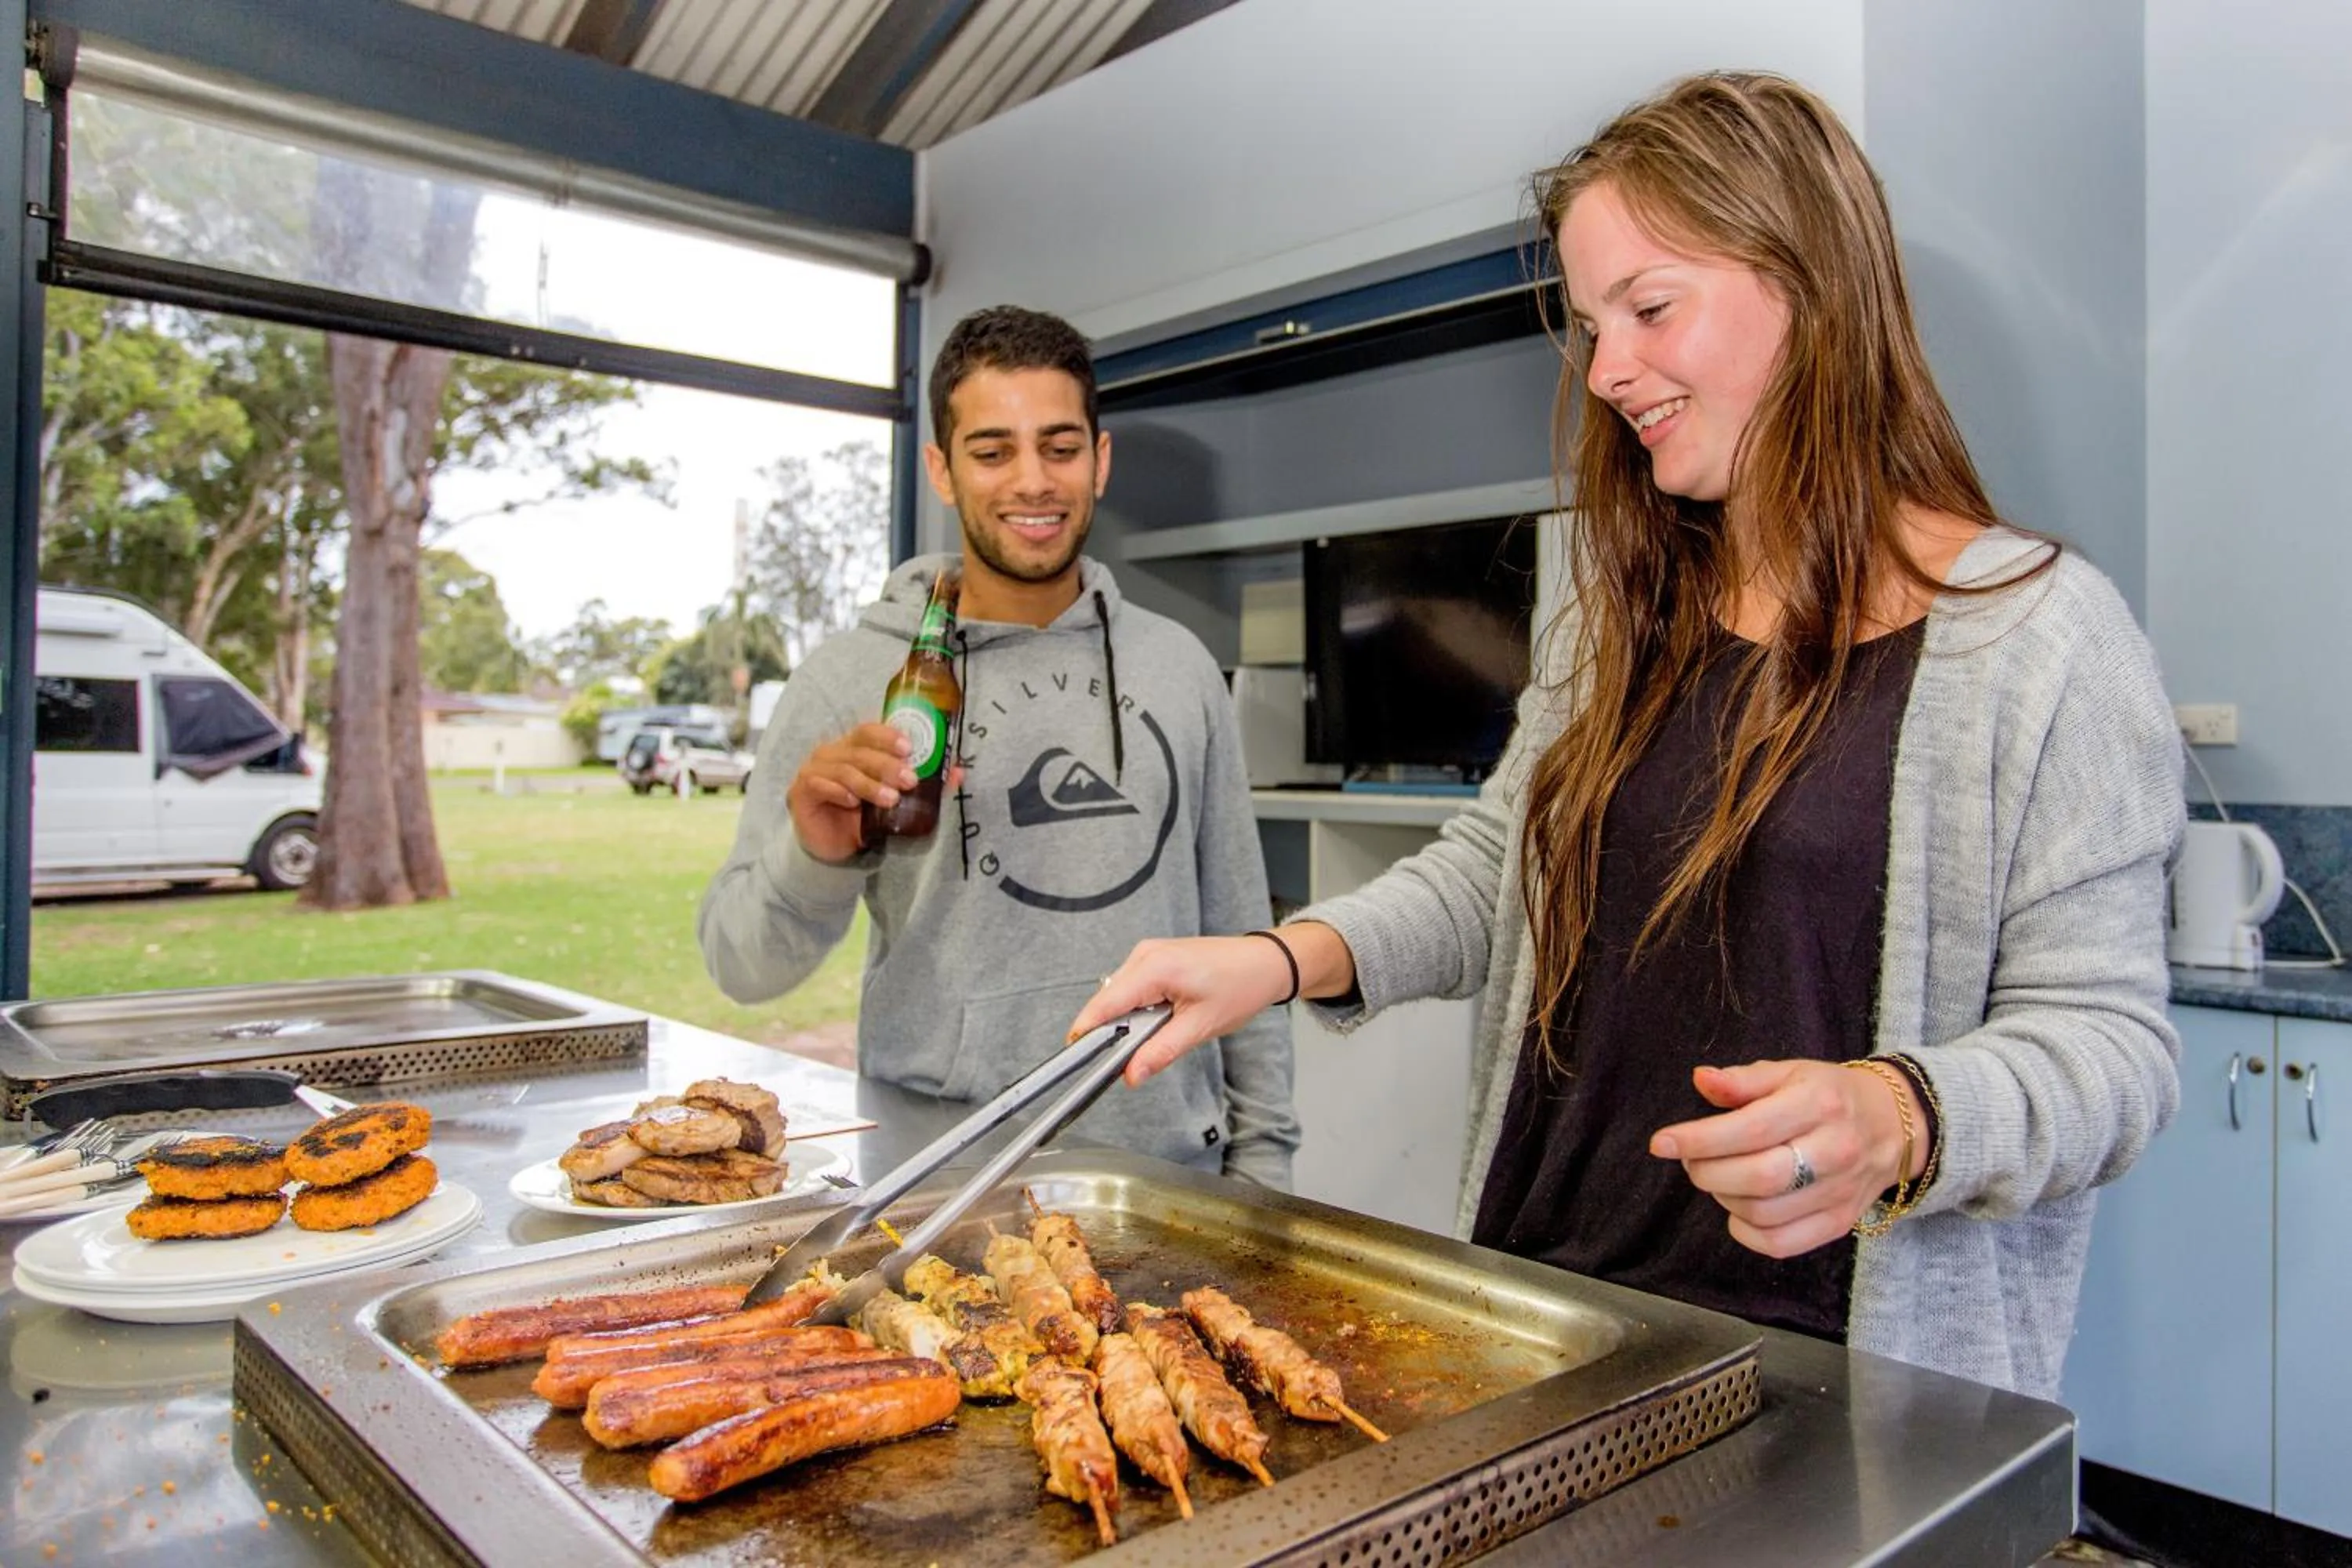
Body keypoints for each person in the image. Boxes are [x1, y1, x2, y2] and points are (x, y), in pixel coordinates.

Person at [1070, 72, 2181, 1399]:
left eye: (1651, 309)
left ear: (1813, 285)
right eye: (1593, 327)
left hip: (1822, 1399)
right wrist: (1275, 958)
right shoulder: (1620, 614)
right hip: (1545, 1327)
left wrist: (1901, 1115)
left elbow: (2115, 1052)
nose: (1607, 374)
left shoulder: (2045, 640)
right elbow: (1502, 873)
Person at [700, 305, 1298, 1189]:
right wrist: (815, 856)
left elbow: (1242, 931)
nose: (1032, 481)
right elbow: (740, 965)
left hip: (1171, 1180)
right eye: (992, 451)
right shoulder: (851, 678)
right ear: (942, 469)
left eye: (1059, 448)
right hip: (938, 1183)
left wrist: (1265, 1167)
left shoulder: (1180, 666)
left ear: (1099, 459)